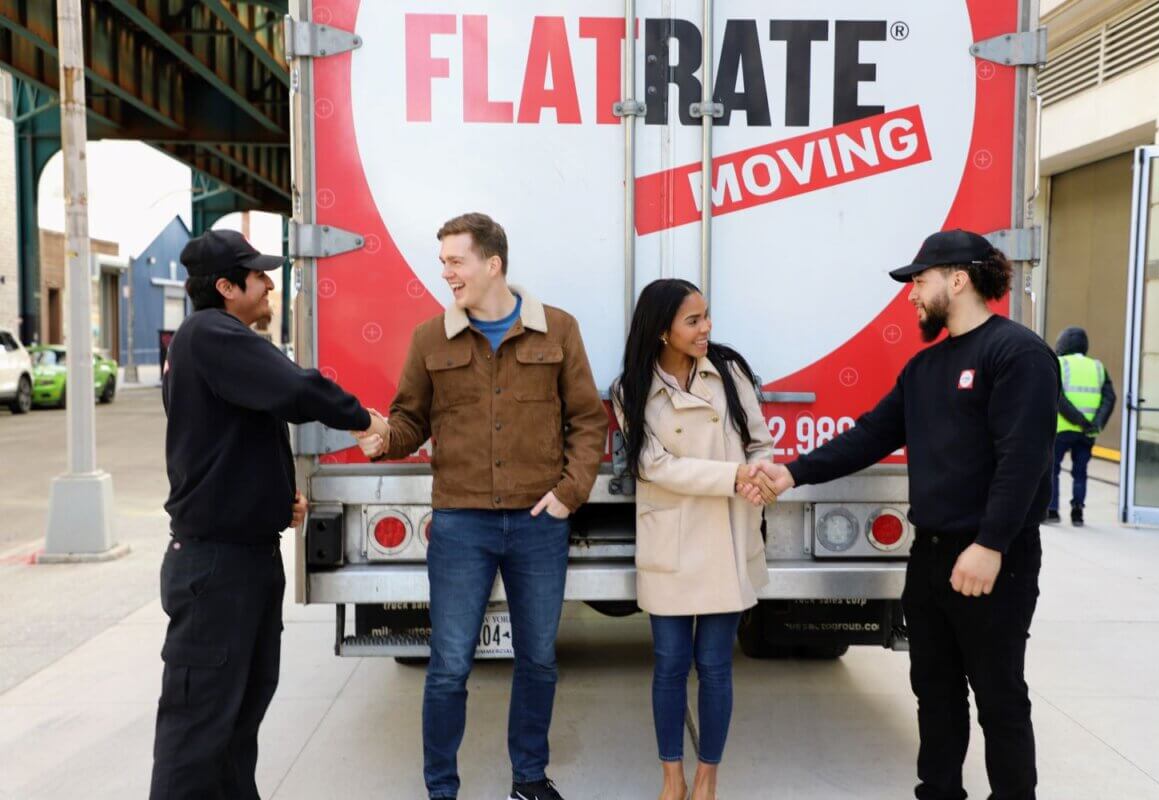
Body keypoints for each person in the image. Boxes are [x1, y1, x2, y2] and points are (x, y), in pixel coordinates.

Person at [745, 229, 1059, 800]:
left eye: (920, 281)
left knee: (999, 697)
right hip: (932, 557)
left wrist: (990, 545)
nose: (911, 294)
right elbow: (870, 435)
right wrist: (793, 472)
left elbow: (1025, 459)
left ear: (958, 279)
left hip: (993, 560)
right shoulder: (925, 368)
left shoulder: (1017, 354)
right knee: (935, 692)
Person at [355, 213, 608, 800]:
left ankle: (528, 778)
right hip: (461, 523)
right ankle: (441, 788)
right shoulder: (429, 339)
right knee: (448, 665)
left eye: (455, 261)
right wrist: (385, 440)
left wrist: (570, 493)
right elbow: (410, 420)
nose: (445, 272)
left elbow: (589, 422)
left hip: (537, 523)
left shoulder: (559, 331)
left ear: (492, 264)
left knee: (539, 659)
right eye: (442, 260)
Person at [151, 229, 387, 798]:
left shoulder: (209, 342)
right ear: (227, 287)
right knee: (200, 727)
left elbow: (228, 438)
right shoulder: (211, 333)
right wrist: (362, 419)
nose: (269, 284)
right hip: (217, 569)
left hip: (241, 560)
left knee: (237, 720)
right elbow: (293, 388)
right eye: (258, 276)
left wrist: (276, 497)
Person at [611, 278, 777, 800]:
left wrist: (758, 476)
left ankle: (707, 776)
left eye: (707, 317)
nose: (706, 328)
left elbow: (760, 442)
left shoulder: (729, 372)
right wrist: (730, 478)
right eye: (693, 320)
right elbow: (652, 466)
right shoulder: (631, 388)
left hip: (728, 533)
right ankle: (671, 775)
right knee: (670, 664)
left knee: (715, 665)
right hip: (672, 537)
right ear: (662, 330)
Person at [1047, 326, 1115, 526]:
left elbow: (1058, 397)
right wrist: (1095, 423)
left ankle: (1052, 510)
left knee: (1052, 470)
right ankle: (1077, 512)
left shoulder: (1059, 363)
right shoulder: (1098, 367)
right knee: (1080, 471)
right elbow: (1109, 398)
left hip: (1061, 429)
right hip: (1087, 433)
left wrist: (1077, 419)